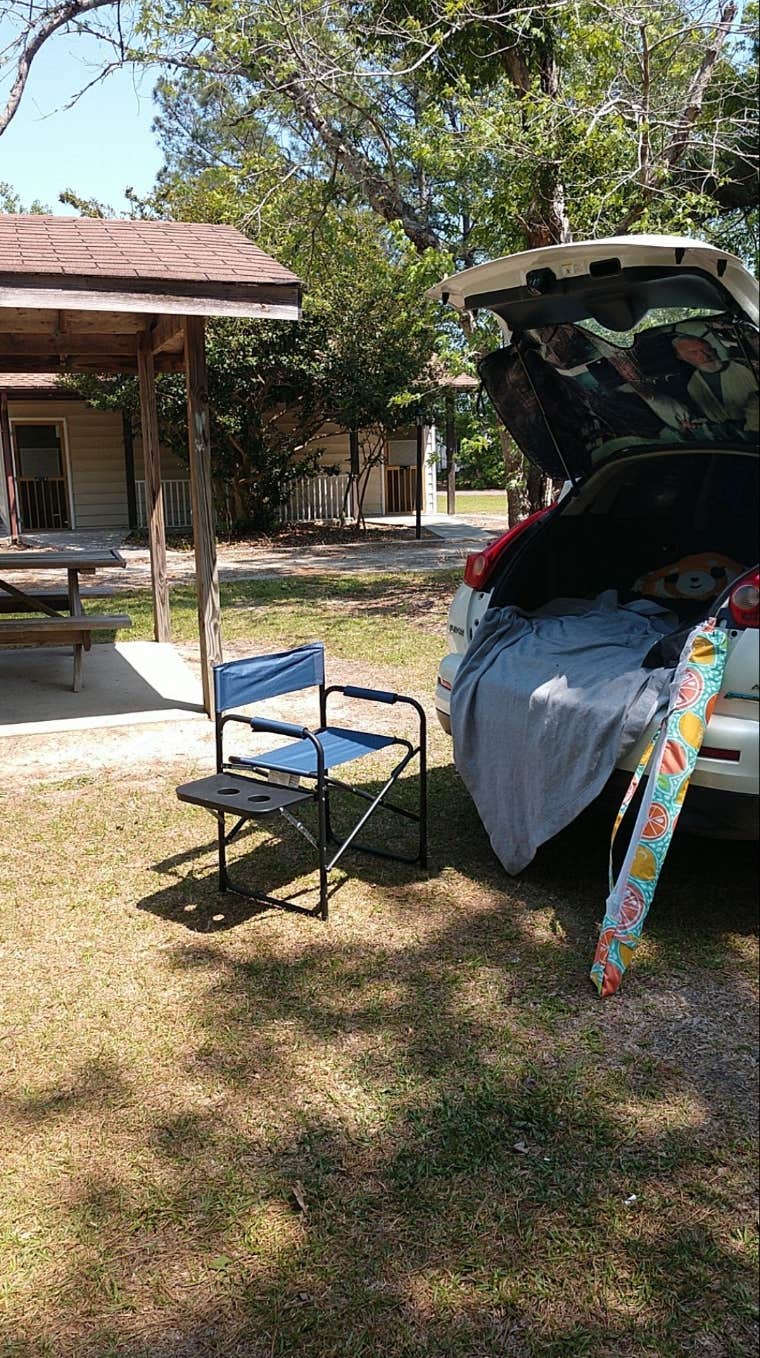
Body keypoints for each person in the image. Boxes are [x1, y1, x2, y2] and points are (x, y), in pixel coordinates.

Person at [671, 333, 758, 434]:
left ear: (714, 350)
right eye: (694, 353)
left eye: (706, 349)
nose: (704, 356)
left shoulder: (746, 366)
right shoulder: (693, 385)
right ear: (682, 358)